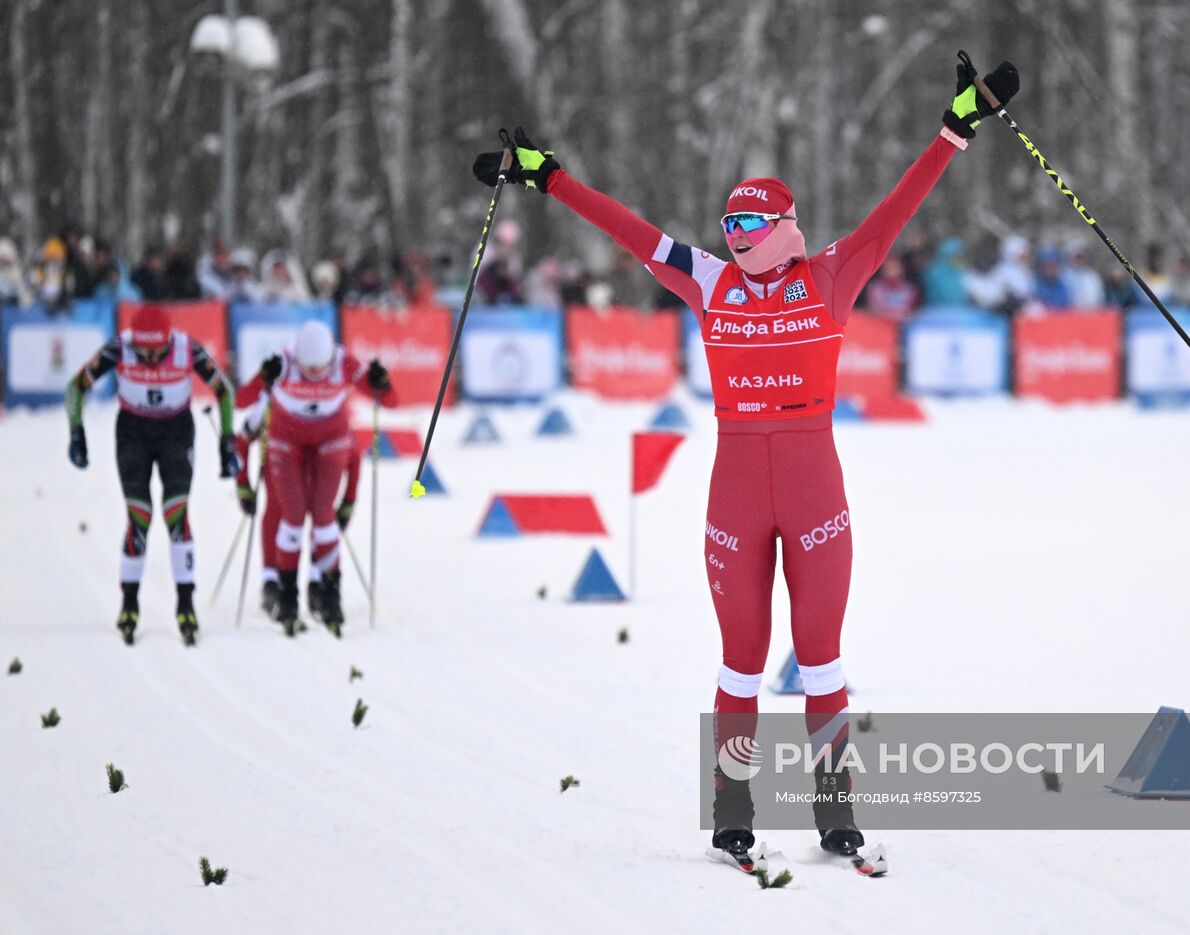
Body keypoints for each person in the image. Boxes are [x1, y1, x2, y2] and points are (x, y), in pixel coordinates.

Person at [474, 56, 1019, 861]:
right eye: (728, 226)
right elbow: (627, 229)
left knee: (823, 656)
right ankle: (734, 810)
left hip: (814, 493)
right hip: (735, 493)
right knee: (740, 663)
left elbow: (894, 212)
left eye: (749, 227)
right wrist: (546, 176)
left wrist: (955, 126)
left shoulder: (832, 275)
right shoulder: (708, 281)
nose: (734, 239)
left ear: (785, 227)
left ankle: (835, 812)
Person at [65, 305, 240, 644]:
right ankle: (129, 603)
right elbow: (76, 387)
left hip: (175, 434)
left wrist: (227, 441)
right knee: (139, 517)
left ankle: (185, 604)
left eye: (155, 351)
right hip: (133, 434)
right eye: (142, 351)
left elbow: (225, 390)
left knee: (177, 515)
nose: (148, 357)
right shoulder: (120, 347)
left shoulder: (186, 348)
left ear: (167, 340)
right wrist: (76, 432)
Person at [235, 320, 395, 636]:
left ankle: (325, 589)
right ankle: (282, 590)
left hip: (326, 446)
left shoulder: (343, 362)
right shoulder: (282, 365)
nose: (315, 375)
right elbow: (242, 408)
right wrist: (242, 484)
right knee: (287, 513)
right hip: (286, 444)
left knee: (323, 516)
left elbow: (387, 406)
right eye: (308, 369)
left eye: (320, 368)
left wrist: (384, 382)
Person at [233, 393, 362, 622]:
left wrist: (349, 499)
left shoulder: (329, 401)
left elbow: (352, 451)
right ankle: (272, 581)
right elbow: (241, 441)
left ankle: (316, 581)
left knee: (320, 515)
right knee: (277, 510)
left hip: (316, 469)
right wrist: (243, 484)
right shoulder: (270, 400)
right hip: (281, 468)